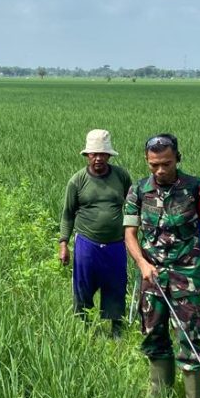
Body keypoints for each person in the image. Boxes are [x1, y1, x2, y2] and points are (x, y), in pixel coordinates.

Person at [123, 133, 200, 398]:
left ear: (177, 158)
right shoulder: (138, 190)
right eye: (154, 165)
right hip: (152, 276)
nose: (160, 170)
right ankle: (159, 395)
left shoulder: (198, 188)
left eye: (166, 164)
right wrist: (142, 264)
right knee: (153, 333)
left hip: (186, 275)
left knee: (190, 337)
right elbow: (129, 234)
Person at [58, 129, 132, 338]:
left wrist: (136, 235)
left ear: (109, 155)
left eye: (102, 154)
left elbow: (133, 206)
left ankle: (116, 329)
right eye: (94, 154)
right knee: (84, 285)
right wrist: (63, 244)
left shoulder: (121, 176)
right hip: (87, 242)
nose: (98, 158)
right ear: (87, 155)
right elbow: (68, 214)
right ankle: (86, 328)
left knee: (116, 284)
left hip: (116, 243)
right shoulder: (77, 181)